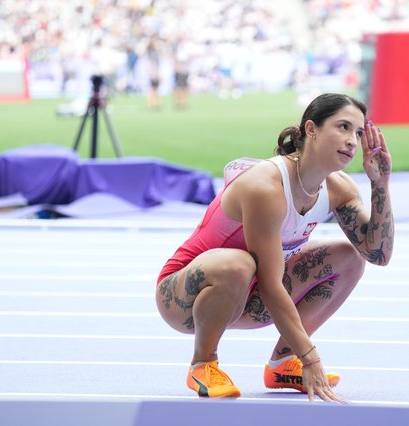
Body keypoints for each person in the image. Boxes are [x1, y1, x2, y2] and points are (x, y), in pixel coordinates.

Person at [155, 93, 394, 402]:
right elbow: (270, 283)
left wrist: (380, 183)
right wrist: (312, 358)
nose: (352, 140)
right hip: (184, 299)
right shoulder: (266, 187)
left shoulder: (338, 188)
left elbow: (378, 254)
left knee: (350, 258)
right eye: (343, 127)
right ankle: (203, 363)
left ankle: (283, 364)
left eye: (358, 133)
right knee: (239, 264)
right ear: (311, 129)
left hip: (250, 295)